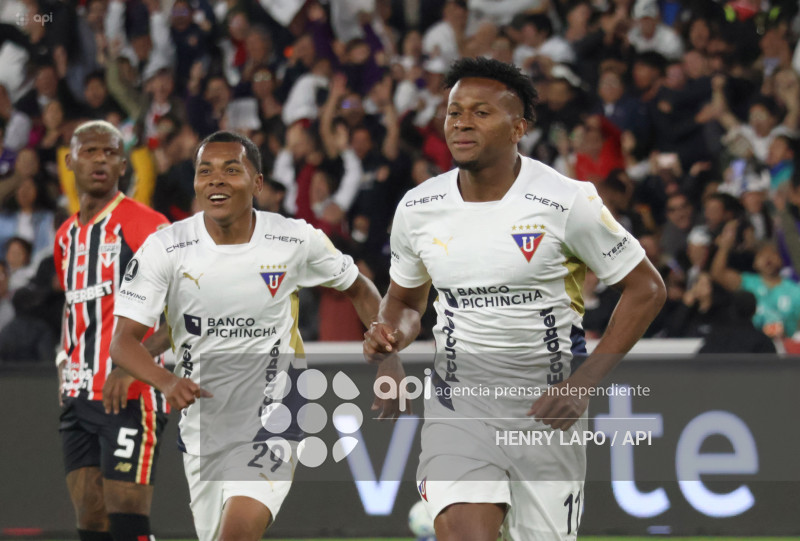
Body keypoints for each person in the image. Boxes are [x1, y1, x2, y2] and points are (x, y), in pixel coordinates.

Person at [364, 57, 666, 540]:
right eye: (454, 111)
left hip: (546, 409)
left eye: (481, 112)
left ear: (518, 127)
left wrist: (583, 383)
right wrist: (390, 341)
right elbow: (404, 301)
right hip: (458, 404)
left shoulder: (567, 201)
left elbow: (647, 289)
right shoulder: (418, 208)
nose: (462, 122)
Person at [109, 130, 382, 541]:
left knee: (236, 534)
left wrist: (387, 350)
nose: (215, 180)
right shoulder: (166, 248)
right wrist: (165, 380)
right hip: (204, 424)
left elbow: (359, 287)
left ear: (257, 183)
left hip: (276, 414)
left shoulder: (294, 239)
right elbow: (122, 341)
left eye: (230, 170)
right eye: (205, 171)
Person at [54, 120, 171, 541]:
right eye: (90, 151)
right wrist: (62, 362)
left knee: (126, 514)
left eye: (110, 153)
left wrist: (130, 365)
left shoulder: (148, 226)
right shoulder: (65, 237)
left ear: (123, 165)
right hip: (79, 396)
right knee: (90, 516)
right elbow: (74, 308)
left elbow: (185, 313)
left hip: (131, 395)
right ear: (70, 161)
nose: (100, 159)